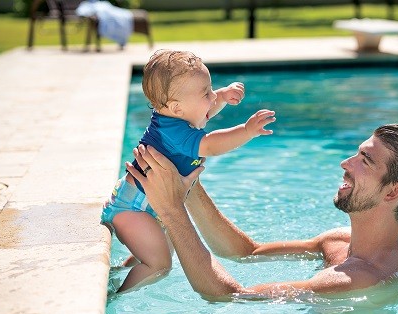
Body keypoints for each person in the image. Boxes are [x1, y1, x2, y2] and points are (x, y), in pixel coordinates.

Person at [125, 124, 398, 299]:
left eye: (364, 160)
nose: (346, 163)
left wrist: (170, 209)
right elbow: (247, 252)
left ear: (393, 192)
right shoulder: (340, 242)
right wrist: (187, 185)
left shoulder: (362, 279)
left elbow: (231, 296)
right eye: (356, 154)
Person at [101, 49, 276, 292]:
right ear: (176, 108)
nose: (212, 97)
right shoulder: (174, 133)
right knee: (160, 266)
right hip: (133, 210)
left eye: (211, 89)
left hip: (143, 207)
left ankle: (120, 270)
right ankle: (114, 296)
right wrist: (245, 131)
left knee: (161, 249)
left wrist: (221, 97)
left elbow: (202, 113)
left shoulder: (176, 119)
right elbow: (211, 145)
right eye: (206, 93)